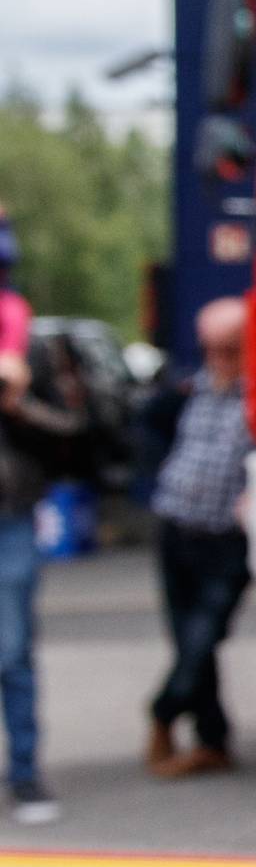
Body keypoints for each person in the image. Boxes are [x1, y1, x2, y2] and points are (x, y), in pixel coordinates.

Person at [141, 297, 256, 778]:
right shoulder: (191, 390)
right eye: (213, 350)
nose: (221, 361)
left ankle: (162, 713)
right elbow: (147, 425)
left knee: (203, 635)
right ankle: (214, 739)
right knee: (186, 637)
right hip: (177, 528)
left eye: (231, 350)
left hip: (225, 539)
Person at [0, 206, 77, 825]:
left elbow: (75, 432)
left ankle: (25, 772)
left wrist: (20, 404)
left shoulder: (28, 342)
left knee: (11, 648)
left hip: (10, 516)